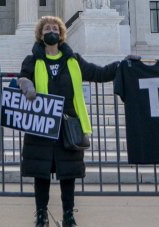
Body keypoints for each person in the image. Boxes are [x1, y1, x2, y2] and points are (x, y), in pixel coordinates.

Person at [16, 16, 120, 227]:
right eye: (47, 28)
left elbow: (98, 73)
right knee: (41, 173)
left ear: (61, 33)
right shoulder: (32, 60)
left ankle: (69, 214)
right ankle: (41, 214)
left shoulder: (74, 61)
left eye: (55, 28)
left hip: (68, 125)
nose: (51, 31)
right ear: (40, 34)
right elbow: (23, 77)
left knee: (68, 174)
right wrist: (26, 84)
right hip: (42, 124)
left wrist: (122, 65)